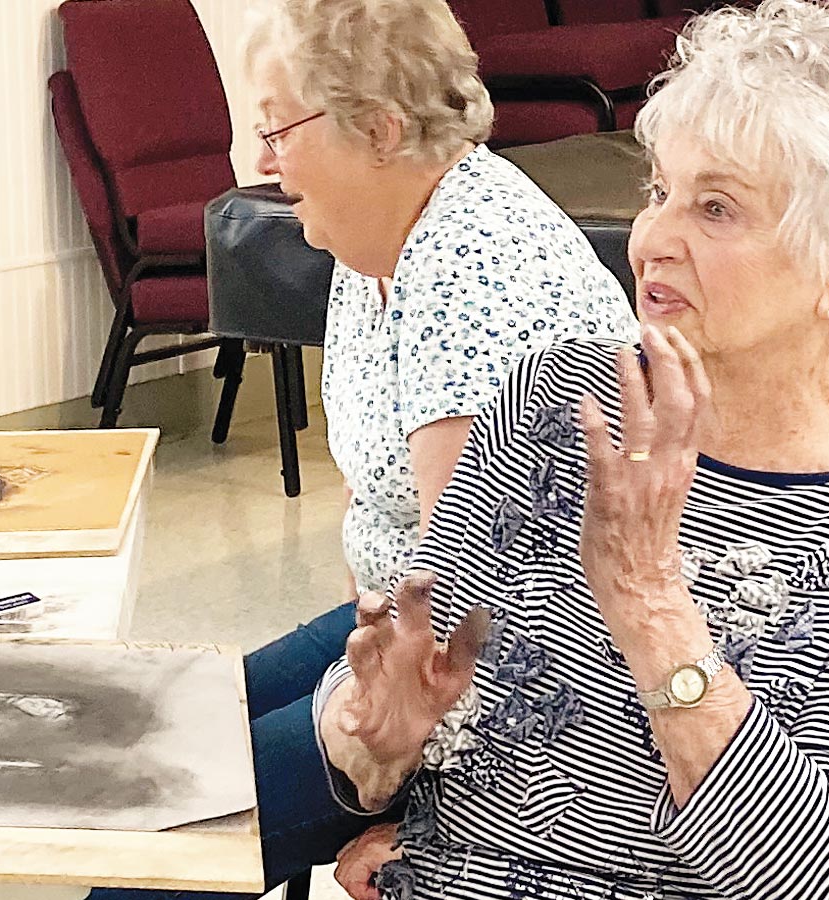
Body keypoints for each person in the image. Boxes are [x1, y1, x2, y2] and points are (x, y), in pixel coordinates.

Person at [316, 1, 829, 897]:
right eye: (660, 191)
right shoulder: (553, 399)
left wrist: (650, 602)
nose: (653, 240)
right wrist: (366, 734)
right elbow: (414, 703)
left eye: (716, 209)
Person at [89, 2, 635, 898]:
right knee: (159, 732)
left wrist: (418, 815)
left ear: (380, 130)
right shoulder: (372, 241)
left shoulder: (477, 265)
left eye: (276, 131)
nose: (256, 162)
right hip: (396, 637)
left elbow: (474, 615)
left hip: (507, 705)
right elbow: (387, 518)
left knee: (154, 836)